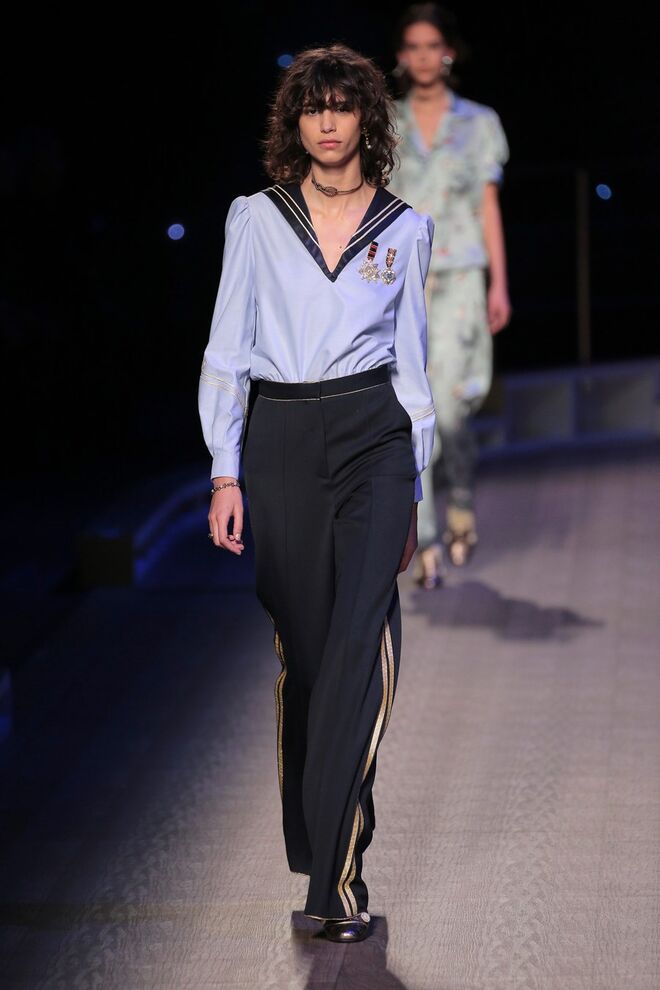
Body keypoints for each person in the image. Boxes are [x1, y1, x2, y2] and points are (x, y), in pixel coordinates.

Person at [198, 44, 436, 942]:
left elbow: (412, 363)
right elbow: (228, 347)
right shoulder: (257, 219)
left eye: (343, 106)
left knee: (357, 648)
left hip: (375, 435)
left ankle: (337, 879)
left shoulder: (405, 229)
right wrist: (225, 470)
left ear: (367, 119)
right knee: (307, 656)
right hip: (283, 437)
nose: (328, 122)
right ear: (294, 121)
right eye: (313, 107)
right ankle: (317, 839)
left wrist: (414, 482)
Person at [387, 3, 511, 588]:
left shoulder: (479, 122)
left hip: (462, 278)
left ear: (448, 53)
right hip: (404, 282)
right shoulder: (385, 122)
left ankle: (460, 498)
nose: (423, 56)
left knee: (455, 410)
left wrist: (498, 283)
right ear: (401, 56)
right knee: (417, 410)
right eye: (412, 46)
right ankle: (428, 538)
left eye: (432, 45)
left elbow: (488, 206)